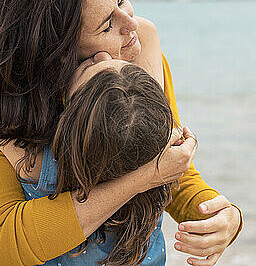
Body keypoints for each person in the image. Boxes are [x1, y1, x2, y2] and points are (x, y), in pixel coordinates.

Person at [0, 0, 242, 266]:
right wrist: (141, 179)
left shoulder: (135, 53)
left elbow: (172, 170)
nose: (131, 24)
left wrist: (222, 216)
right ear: (58, 54)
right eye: (105, 26)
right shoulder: (5, 105)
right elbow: (2, 247)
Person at [24, 59, 178, 266]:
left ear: (70, 120)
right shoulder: (159, 165)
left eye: (87, 69)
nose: (103, 54)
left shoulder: (43, 170)